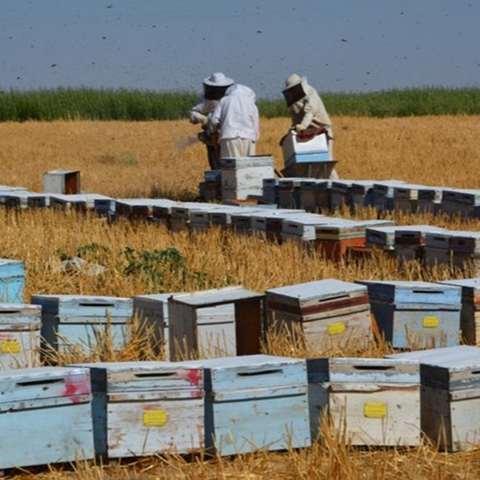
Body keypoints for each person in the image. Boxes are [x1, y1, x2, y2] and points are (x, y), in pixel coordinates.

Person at [282, 74, 339, 180]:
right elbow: (295, 117)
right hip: (307, 132)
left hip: (322, 130)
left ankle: (337, 185)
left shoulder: (310, 92)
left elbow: (310, 112)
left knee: (326, 162)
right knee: (309, 165)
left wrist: (303, 126)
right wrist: (294, 129)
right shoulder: (294, 98)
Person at [190, 72, 235, 169]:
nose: (217, 91)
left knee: (230, 165)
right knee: (216, 167)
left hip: (228, 136)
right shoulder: (206, 101)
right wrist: (203, 119)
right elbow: (193, 113)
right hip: (212, 138)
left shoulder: (230, 100)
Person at [207, 83, 259, 160]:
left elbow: (213, 120)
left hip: (229, 137)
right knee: (249, 165)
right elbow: (255, 126)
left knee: (230, 166)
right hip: (248, 139)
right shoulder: (251, 104)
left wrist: (212, 132)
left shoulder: (224, 101)